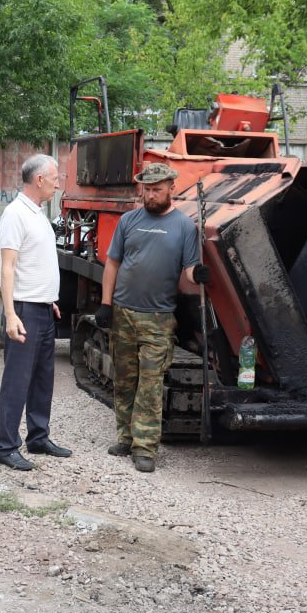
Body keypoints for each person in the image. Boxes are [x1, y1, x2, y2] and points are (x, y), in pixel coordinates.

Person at [94, 162, 207, 473]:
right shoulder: (128, 221)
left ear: (172, 188)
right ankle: (126, 436)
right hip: (123, 313)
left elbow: (188, 273)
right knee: (125, 379)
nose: (151, 194)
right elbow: (113, 264)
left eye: (158, 189)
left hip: (158, 318)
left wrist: (199, 274)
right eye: (147, 189)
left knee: (151, 383)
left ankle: (145, 447)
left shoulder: (184, 226)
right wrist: (106, 305)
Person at [0, 154, 72, 471]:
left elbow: (36, 261)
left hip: (42, 307)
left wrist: (48, 298)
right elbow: (8, 266)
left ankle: (38, 437)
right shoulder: (15, 214)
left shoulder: (38, 213)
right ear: (39, 179)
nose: (58, 182)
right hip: (24, 311)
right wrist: (11, 314)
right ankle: (6, 447)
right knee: (17, 380)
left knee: (43, 378)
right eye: (54, 177)